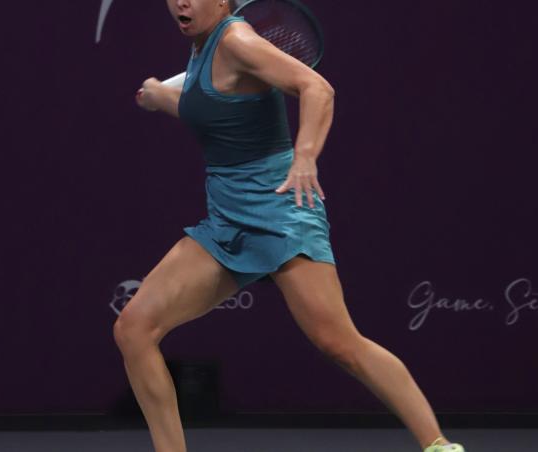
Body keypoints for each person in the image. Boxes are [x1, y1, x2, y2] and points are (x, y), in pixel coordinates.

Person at [114, 0, 466, 451]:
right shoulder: (201, 46)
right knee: (134, 328)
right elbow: (209, 109)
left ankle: (439, 446)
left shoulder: (237, 40)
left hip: (282, 208)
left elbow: (317, 88)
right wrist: (157, 96)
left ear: (222, 1)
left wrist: (305, 156)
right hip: (226, 220)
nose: (181, 1)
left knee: (339, 343)